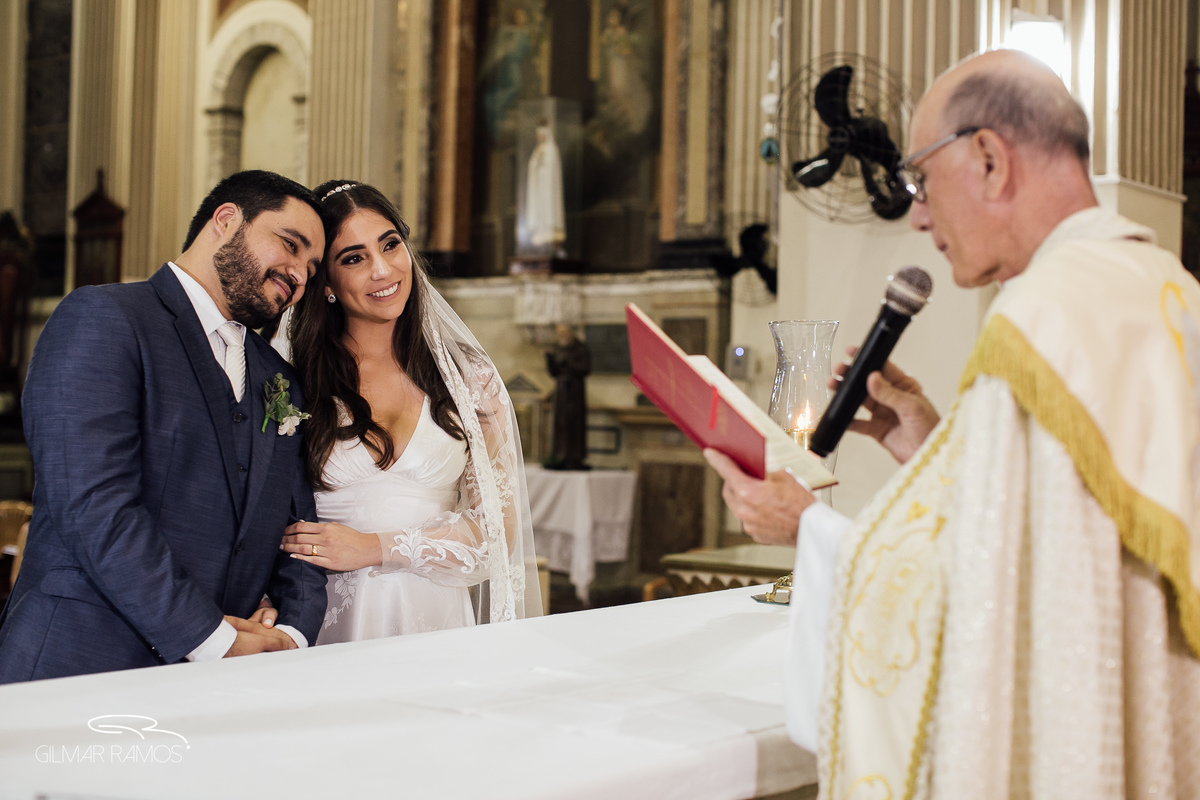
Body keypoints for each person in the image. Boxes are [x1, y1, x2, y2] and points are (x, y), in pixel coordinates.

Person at [706, 50, 1200, 798]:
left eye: (922, 180)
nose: (918, 214)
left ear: (991, 161)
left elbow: (970, 600)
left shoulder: (1042, 320)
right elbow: (1064, 539)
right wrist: (933, 443)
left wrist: (805, 524)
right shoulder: (1164, 288)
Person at [0, 170, 329, 683]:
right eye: (290, 244)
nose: (300, 275)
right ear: (226, 220)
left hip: (220, 685)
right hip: (80, 664)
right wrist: (212, 640)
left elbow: (298, 529)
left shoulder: (278, 376)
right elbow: (93, 507)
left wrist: (291, 634)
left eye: (312, 267)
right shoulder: (104, 318)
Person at [279, 181, 541, 643]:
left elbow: (497, 534)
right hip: (327, 617)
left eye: (390, 245)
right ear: (327, 285)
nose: (383, 270)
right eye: (354, 258)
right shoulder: (292, 379)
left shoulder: (469, 379)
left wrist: (374, 548)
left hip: (436, 621)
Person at [545, 322, 590, 470]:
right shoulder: (558, 348)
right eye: (560, 332)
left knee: (574, 424)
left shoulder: (580, 348)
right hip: (561, 391)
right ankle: (560, 455)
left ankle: (574, 457)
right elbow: (554, 372)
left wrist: (569, 363)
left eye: (564, 332)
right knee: (560, 424)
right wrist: (550, 360)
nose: (562, 335)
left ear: (571, 332)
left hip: (575, 392)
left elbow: (585, 368)